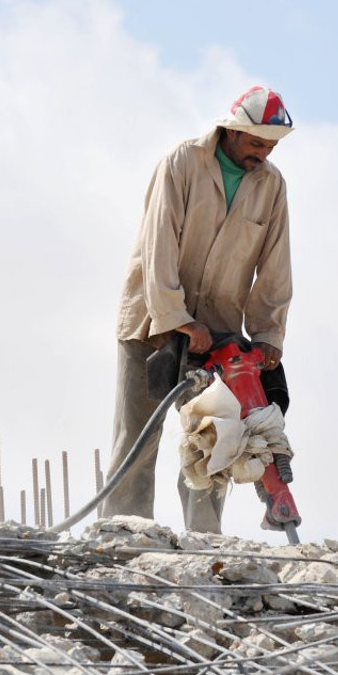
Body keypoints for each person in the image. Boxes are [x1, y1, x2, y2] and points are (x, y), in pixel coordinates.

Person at [100, 85, 295, 534]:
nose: (262, 154)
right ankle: (125, 536)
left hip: (218, 335)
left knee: (217, 441)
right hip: (151, 323)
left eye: (271, 146)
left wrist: (268, 337)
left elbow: (275, 268)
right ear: (232, 131)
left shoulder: (271, 186)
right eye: (256, 142)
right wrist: (179, 319)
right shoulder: (183, 163)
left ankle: (205, 542)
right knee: (138, 438)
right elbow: (158, 243)